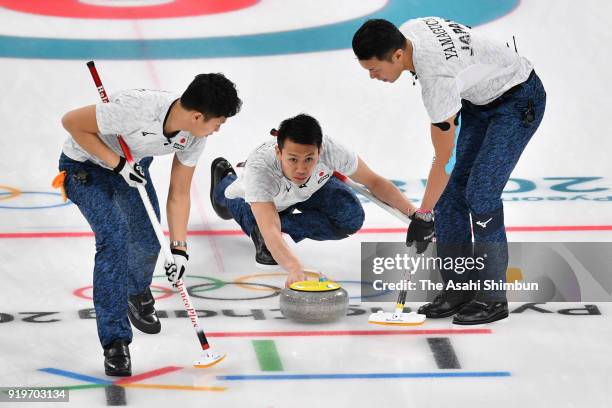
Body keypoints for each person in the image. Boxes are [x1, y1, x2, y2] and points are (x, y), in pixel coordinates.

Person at [352, 18, 546, 324]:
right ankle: (459, 288)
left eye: (375, 69)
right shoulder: (408, 30)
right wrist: (431, 210)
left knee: (481, 195)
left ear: (398, 56)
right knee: (449, 194)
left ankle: (493, 297)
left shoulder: (436, 79)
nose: (373, 76)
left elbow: (444, 158)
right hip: (478, 102)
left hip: (519, 100)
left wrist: (424, 215)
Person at [56, 74, 241, 376]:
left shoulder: (195, 136)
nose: (218, 129)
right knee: (114, 237)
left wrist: (180, 250)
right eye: (217, 122)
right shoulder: (135, 110)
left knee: (148, 240)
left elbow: (179, 193)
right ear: (197, 116)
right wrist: (116, 164)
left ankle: (135, 291)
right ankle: (115, 341)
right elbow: (72, 123)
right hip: (84, 167)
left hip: (131, 168)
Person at [210, 113, 418, 288]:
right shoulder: (260, 169)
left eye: (309, 159)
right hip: (268, 198)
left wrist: (414, 213)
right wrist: (293, 266)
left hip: (313, 189)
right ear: (278, 152)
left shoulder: (333, 151)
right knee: (256, 219)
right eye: (293, 159)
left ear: (321, 151)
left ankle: (266, 230)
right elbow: (271, 227)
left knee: (350, 216)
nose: (301, 168)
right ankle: (225, 182)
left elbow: (374, 182)